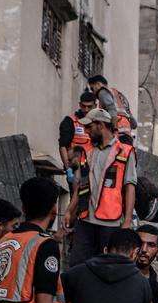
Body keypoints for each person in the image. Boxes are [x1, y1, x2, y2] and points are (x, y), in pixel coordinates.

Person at [67, 108, 137, 265]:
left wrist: (127, 220)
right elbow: (81, 186)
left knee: (105, 268)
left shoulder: (125, 151)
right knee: (77, 267)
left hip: (110, 222)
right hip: (85, 220)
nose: (87, 131)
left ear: (100, 125)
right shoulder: (88, 152)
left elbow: (130, 186)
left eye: (90, 127)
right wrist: (69, 210)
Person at [58, 91, 98, 188]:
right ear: (80, 104)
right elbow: (63, 146)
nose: (86, 109)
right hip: (76, 168)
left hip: (93, 169)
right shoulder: (70, 121)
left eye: (89, 107)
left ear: (95, 106)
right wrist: (68, 170)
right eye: (83, 106)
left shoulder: (99, 123)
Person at [88, 74, 136, 145]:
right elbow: (134, 123)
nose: (93, 92)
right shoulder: (119, 95)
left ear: (98, 84)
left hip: (117, 134)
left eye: (92, 89)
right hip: (127, 135)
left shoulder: (102, 92)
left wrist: (115, 129)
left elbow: (111, 108)